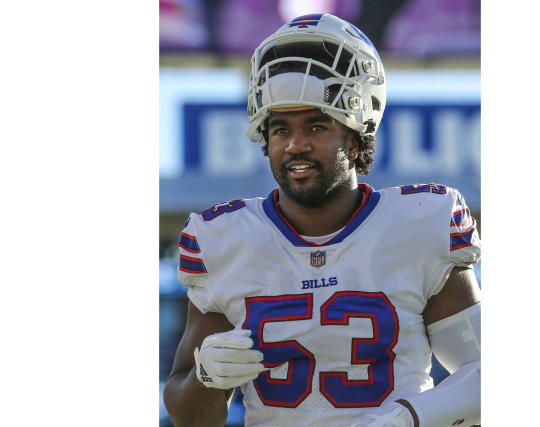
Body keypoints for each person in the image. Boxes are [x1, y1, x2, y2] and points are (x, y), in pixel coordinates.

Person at [163, 13, 481, 427]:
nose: (296, 145)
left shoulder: (419, 225)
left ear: (355, 134)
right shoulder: (224, 241)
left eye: (316, 125)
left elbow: (484, 375)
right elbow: (193, 418)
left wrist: (403, 421)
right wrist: (207, 376)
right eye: (280, 130)